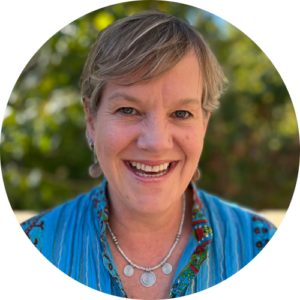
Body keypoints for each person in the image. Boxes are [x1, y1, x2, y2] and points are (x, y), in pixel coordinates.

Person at [20, 10, 278, 298]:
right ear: (91, 121)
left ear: (203, 125)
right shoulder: (28, 251)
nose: (156, 142)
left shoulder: (264, 249)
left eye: (181, 113)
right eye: (128, 110)